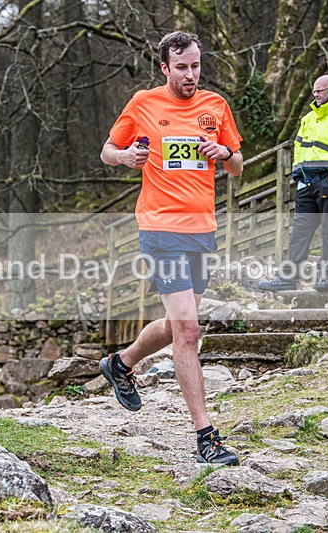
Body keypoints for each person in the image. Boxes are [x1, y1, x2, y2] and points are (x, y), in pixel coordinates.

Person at [99, 31, 244, 466]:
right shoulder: (144, 103)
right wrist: (125, 158)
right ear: (165, 67)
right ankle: (206, 436)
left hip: (202, 229)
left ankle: (121, 364)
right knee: (188, 331)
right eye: (181, 67)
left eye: (195, 66)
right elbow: (108, 151)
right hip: (160, 229)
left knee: (177, 324)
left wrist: (223, 152)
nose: (190, 74)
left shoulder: (216, 106)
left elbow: (238, 165)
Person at [258, 75, 328, 292]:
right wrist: (297, 174)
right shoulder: (307, 118)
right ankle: (287, 278)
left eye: (320, 90)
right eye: (314, 91)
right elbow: (298, 147)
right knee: (299, 232)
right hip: (306, 184)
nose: (315, 94)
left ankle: (326, 277)